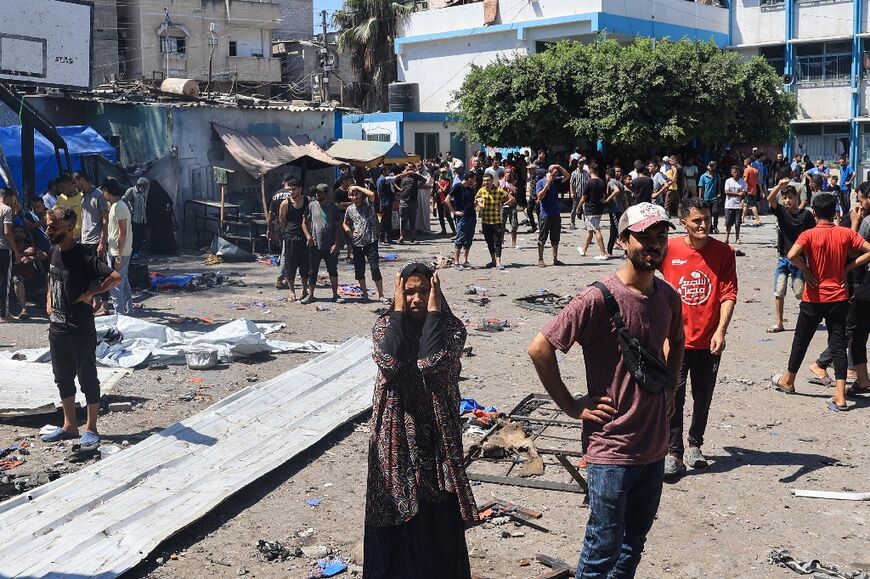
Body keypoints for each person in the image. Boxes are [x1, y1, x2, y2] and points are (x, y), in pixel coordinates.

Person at [527, 202, 685, 578]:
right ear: (622, 241)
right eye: (643, 237)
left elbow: (678, 341)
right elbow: (540, 347)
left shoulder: (667, 297)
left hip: (654, 445)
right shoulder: (598, 298)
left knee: (633, 544)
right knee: (603, 546)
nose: (653, 245)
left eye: (660, 237)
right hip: (611, 447)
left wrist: (670, 391)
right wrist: (570, 405)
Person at [365, 264, 477, 578]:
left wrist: (433, 315)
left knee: (438, 512)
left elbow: (430, 363)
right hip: (396, 433)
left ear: (435, 292)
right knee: (396, 510)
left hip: (437, 436)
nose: (416, 298)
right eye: (409, 291)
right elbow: (388, 361)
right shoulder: (385, 325)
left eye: (423, 291)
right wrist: (398, 312)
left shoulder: (451, 329)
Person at [660, 198, 737, 479]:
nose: (704, 224)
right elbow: (646, 279)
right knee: (673, 395)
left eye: (706, 218)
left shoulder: (724, 252)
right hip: (676, 341)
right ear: (684, 223)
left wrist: (721, 330)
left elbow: (729, 294)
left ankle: (695, 445)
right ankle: (673, 452)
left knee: (702, 395)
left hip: (709, 342)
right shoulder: (670, 250)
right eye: (697, 220)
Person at [771, 193, 870, 411]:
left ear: (814, 213)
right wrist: (848, 268)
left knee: (801, 340)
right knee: (838, 344)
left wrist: (806, 270)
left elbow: (791, 255)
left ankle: (789, 380)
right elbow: (868, 250)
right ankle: (840, 395)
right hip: (839, 297)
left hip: (814, 297)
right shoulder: (845, 233)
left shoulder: (808, 235)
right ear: (835, 212)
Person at [41, 205, 121, 447]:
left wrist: (91, 291)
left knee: (87, 378)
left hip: (79, 329)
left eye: (52, 226)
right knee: (62, 378)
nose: (47, 229)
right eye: (47, 225)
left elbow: (115, 277)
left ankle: (92, 427)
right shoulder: (54, 250)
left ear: (69, 228)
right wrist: (48, 299)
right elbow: (51, 277)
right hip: (57, 329)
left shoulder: (84, 256)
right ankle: (69, 426)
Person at [766, 179, 816, 333]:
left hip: (799, 260)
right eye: (785, 198)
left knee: (799, 293)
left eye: (790, 197)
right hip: (783, 258)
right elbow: (770, 199)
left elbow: (813, 236)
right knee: (779, 291)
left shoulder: (806, 215)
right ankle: (779, 323)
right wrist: (779, 186)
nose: (787, 201)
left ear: (797, 198)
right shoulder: (781, 212)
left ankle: (809, 319)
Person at [844, 185, 870, 394]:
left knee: (855, 331)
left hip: (867, 287)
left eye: (861, 200)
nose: (858, 204)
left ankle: (862, 379)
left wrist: (854, 223)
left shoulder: (867, 222)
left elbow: (852, 250)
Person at [301, 184, 345, 305]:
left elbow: (338, 227)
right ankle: (311, 295)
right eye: (317, 192)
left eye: (320, 193)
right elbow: (304, 223)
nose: (318, 194)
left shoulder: (333, 208)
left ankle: (335, 295)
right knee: (312, 271)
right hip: (314, 244)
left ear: (326, 193)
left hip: (330, 245)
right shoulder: (311, 206)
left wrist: (336, 243)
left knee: (332, 270)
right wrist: (308, 237)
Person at [74, 172, 110, 315]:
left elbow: (105, 221)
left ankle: (105, 306)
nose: (76, 187)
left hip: (96, 241)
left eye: (77, 183)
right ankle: (96, 304)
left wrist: (102, 242)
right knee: (89, 274)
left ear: (82, 180)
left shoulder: (99, 195)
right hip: (85, 240)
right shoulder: (84, 196)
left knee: (101, 274)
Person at [343, 184, 385, 303]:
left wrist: (355, 186)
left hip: (370, 240)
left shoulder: (367, 204)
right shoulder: (350, 209)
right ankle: (365, 294)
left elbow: (372, 194)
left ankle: (381, 294)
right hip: (357, 243)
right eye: (352, 195)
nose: (355, 196)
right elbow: (345, 223)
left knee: (375, 268)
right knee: (359, 270)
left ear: (361, 194)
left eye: (357, 194)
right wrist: (349, 233)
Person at [101, 178, 134, 316]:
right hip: (116, 250)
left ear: (108, 191)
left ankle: (120, 315)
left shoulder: (119, 206)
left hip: (119, 251)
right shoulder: (115, 206)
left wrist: (118, 254)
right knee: (123, 281)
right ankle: (128, 311)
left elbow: (123, 232)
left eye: (103, 190)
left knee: (115, 284)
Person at [278, 178, 311, 302]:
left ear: (300, 189)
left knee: (305, 265)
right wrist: (287, 233)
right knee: (290, 265)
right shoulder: (285, 203)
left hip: (305, 238)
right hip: (291, 238)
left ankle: (304, 290)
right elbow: (282, 220)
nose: (291, 192)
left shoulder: (308, 201)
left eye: (294, 189)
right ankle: (291, 291)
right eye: (290, 189)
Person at [474, 174, 514, 271]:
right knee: (489, 242)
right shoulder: (481, 190)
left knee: (497, 242)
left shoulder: (498, 190)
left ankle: (498, 262)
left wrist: (503, 204)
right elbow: (475, 201)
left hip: (496, 221)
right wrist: (477, 203)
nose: (486, 182)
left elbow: (512, 199)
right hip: (485, 221)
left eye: (488, 180)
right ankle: (493, 260)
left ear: (492, 181)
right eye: (484, 180)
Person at [536, 164, 570, 267]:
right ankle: (540, 259)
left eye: (557, 173)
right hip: (545, 215)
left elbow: (567, 176)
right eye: (554, 173)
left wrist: (559, 166)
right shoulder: (540, 182)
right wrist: (547, 185)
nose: (556, 175)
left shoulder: (556, 181)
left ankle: (555, 258)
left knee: (555, 238)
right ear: (549, 173)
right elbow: (540, 197)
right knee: (542, 238)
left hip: (555, 214)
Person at [11, 224, 48, 319]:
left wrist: (33, 257)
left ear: (24, 234)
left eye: (21, 232)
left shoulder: (30, 246)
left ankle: (49, 305)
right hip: (14, 280)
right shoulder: (10, 247)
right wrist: (24, 253)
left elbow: (44, 255)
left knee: (49, 277)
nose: (18, 234)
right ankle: (24, 309)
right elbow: (13, 260)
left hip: (31, 278)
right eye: (15, 232)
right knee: (17, 279)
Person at [447, 172, 478, 270]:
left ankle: (465, 260)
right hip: (462, 216)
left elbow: (471, 202)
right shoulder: (458, 186)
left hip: (471, 215)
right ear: (469, 178)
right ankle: (456, 262)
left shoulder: (470, 188)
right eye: (474, 179)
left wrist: (477, 205)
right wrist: (454, 211)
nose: (474, 181)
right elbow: (447, 199)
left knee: (469, 238)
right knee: (460, 238)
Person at [578, 166, 609, 260]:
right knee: (590, 230)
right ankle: (584, 249)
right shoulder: (602, 182)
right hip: (599, 209)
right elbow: (604, 196)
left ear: (590, 171)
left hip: (590, 210)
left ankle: (603, 253)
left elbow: (584, 197)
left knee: (596, 230)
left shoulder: (588, 182)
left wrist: (578, 207)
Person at [0, 190, 21, 321]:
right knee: (4, 282)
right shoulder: (6, 209)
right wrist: (16, 251)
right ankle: (4, 313)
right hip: (3, 248)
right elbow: (7, 232)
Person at [397, 164, 426, 244]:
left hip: (413, 200)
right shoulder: (403, 175)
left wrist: (419, 186)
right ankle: (402, 236)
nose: (410, 169)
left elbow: (424, 180)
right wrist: (399, 188)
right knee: (403, 219)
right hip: (404, 200)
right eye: (408, 167)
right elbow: (395, 179)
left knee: (412, 219)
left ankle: (413, 236)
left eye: (411, 167)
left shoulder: (416, 176)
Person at [122, 176, 149, 256]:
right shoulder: (131, 191)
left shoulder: (142, 193)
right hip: (133, 219)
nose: (145, 189)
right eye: (144, 187)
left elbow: (143, 206)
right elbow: (124, 200)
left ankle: (137, 251)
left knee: (140, 236)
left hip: (141, 219)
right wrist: (130, 209)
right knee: (134, 237)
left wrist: (145, 218)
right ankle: (133, 252)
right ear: (140, 185)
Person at [604, 167, 628, 256]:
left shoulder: (611, 182)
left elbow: (616, 191)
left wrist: (607, 200)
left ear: (608, 175)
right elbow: (624, 198)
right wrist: (626, 209)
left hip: (615, 210)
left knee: (618, 231)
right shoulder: (620, 183)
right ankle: (609, 251)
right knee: (613, 230)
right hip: (620, 210)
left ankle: (626, 251)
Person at [54, 174, 83, 240]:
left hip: (84, 236)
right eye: (58, 188)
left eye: (62, 187)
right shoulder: (60, 199)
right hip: (69, 238)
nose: (60, 190)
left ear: (70, 184)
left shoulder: (82, 196)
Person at [723, 165, 746, 245]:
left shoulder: (742, 182)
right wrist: (737, 194)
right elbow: (726, 192)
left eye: (737, 172)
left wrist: (742, 200)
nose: (735, 174)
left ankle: (737, 238)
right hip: (729, 205)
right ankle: (727, 238)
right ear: (731, 173)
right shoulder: (728, 181)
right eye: (734, 172)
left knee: (737, 223)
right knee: (728, 223)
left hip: (738, 205)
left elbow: (744, 193)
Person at [698, 161, 721, 233]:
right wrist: (700, 198)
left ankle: (715, 226)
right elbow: (701, 188)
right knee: (708, 214)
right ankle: (710, 227)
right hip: (706, 198)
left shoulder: (717, 175)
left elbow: (719, 185)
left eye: (713, 166)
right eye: (710, 166)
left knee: (715, 212)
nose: (711, 167)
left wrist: (719, 193)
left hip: (714, 198)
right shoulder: (703, 176)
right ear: (707, 166)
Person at [569, 157, 590, 229]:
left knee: (585, 209)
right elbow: (571, 183)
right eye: (580, 163)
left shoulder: (586, 173)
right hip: (576, 193)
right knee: (574, 208)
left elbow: (588, 182)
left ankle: (586, 224)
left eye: (582, 163)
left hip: (584, 194)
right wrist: (572, 192)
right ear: (577, 164)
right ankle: (572, 222)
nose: (581, 164)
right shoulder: (574, 173)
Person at [435, 168, 455, 236]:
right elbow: (437, 191)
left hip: (444, 200)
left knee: (447, 215)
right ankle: (443, 230)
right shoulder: (439, 180)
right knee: (440, 216)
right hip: (439, 200)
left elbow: (444, 190)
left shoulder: (447, 181)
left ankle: (454, 230)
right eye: (442, 172)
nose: (443, 174)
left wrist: (439, 185)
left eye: (444, 172)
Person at [742, 158, 762, 226]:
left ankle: (757, 218)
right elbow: (758, 181)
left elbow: (745, 180)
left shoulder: (747, 170)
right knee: (746, 204)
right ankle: (742, 218)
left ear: (746, 162)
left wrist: (742, 188)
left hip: (748, 190)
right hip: (754, 190)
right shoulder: (755, 170)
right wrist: (761, 191)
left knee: (752, 205)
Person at [524, 164, 538, 232]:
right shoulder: (531, 177)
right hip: (532, 196)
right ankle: (534, 226)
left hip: (537, 197)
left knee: (539, 212)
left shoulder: (538, 177)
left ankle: (541, 227)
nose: (529, 170)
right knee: (529, 211)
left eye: (530, 169)